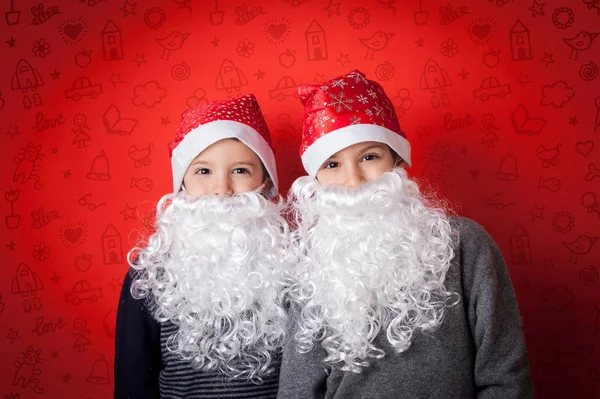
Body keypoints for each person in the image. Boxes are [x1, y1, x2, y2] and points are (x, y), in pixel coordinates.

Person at [277, 70, 534, 398]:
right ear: (315, 180)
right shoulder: (310, 265)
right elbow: (298, 388)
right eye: (332, 165)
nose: (354, 179)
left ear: (396, 160)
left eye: (369, 157)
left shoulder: (466, 244)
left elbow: (505, 372)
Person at [114, 94, 290, 399]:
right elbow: (133, 376)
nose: (222, 190)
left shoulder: (290, 263)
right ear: (182, 185)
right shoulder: (150, 272)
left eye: (240, 171)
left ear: (265, 182)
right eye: (203, 171)